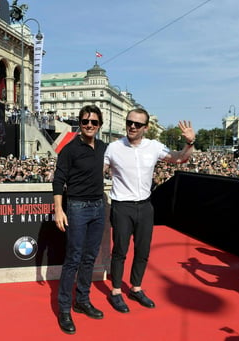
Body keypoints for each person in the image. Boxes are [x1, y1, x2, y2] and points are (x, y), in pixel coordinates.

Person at [104, 108, 195, 313]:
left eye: (137, 124)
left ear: (145, 128)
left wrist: (189, 143)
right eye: (129, 122)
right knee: (119, 251)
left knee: (143, 252)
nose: (132, 127)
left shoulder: (153, 146)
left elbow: (180, 158)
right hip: (121, 206)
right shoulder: (113, 147)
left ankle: (136, 288)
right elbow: (97, 170)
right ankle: (116, 291)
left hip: (145, 206)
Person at [53, 105, 107, 335]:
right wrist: (58, 209)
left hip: (98, 207)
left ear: (99, 125)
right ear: (80, 123)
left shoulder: (105, 148)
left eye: (94, 122)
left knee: (90, 258)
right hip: (76, 207)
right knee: (73, 258)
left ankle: (82, 300)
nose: (89, 125)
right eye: (85, 121)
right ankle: (64, 309)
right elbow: (58, 180)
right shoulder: (70, 149)